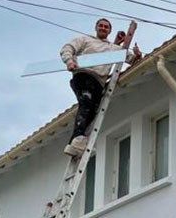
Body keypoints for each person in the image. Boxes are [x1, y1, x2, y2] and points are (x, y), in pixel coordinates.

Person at [59, 18, 142, 157]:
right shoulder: (86, 40)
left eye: (106, 27)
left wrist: (138, 55)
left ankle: (75, 144)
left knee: (92, 111)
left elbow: (131, 59)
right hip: (84, 76)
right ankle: (78, 138)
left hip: (98, 82)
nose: (103, 28)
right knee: (86, 102)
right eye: (101, 26)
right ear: (96, 28)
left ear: (109, 30)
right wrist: (69, 61)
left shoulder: (113, 48)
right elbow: (67, 48)